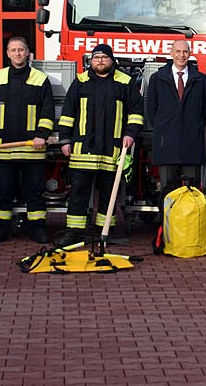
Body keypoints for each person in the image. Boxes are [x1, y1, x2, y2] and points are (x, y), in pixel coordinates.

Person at [56, 44, 144, 246]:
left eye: (105, 57)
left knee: (108, 194)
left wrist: (130, 134)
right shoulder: (80, 82)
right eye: (97, 57)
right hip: (82, 149)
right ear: (91, 61)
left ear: (112, 60)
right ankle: (74, 232)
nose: (101, 60)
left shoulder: (125, 82)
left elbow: (136, 113)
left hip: (111, 150)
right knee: (78, 193)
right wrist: (65, 140)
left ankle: (104, 231)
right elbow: (68, 113)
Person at [0, 36, 55, 244]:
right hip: (2, 147)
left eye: (21, 50)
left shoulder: (40, 79)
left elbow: (47, 112)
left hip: (32, 147)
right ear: (7, 53)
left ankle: (37, 228)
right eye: (13, 50)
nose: (17, 54)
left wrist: (42, 135)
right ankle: (0, 228)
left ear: (28, 52)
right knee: (3, 191)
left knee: (35, 191)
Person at [145, 39, 206, 193]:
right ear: (171, 53)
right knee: (168, 192)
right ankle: (166, 218)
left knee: (192, 192)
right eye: (178, 52)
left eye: (185, 52)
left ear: (190, 54)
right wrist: (164, 128)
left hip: (192, 144)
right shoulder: (158, 78)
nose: (182, 55)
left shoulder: (200, 80)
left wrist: (193, 127)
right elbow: (151, 109)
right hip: (166, 143)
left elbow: (205, 110)